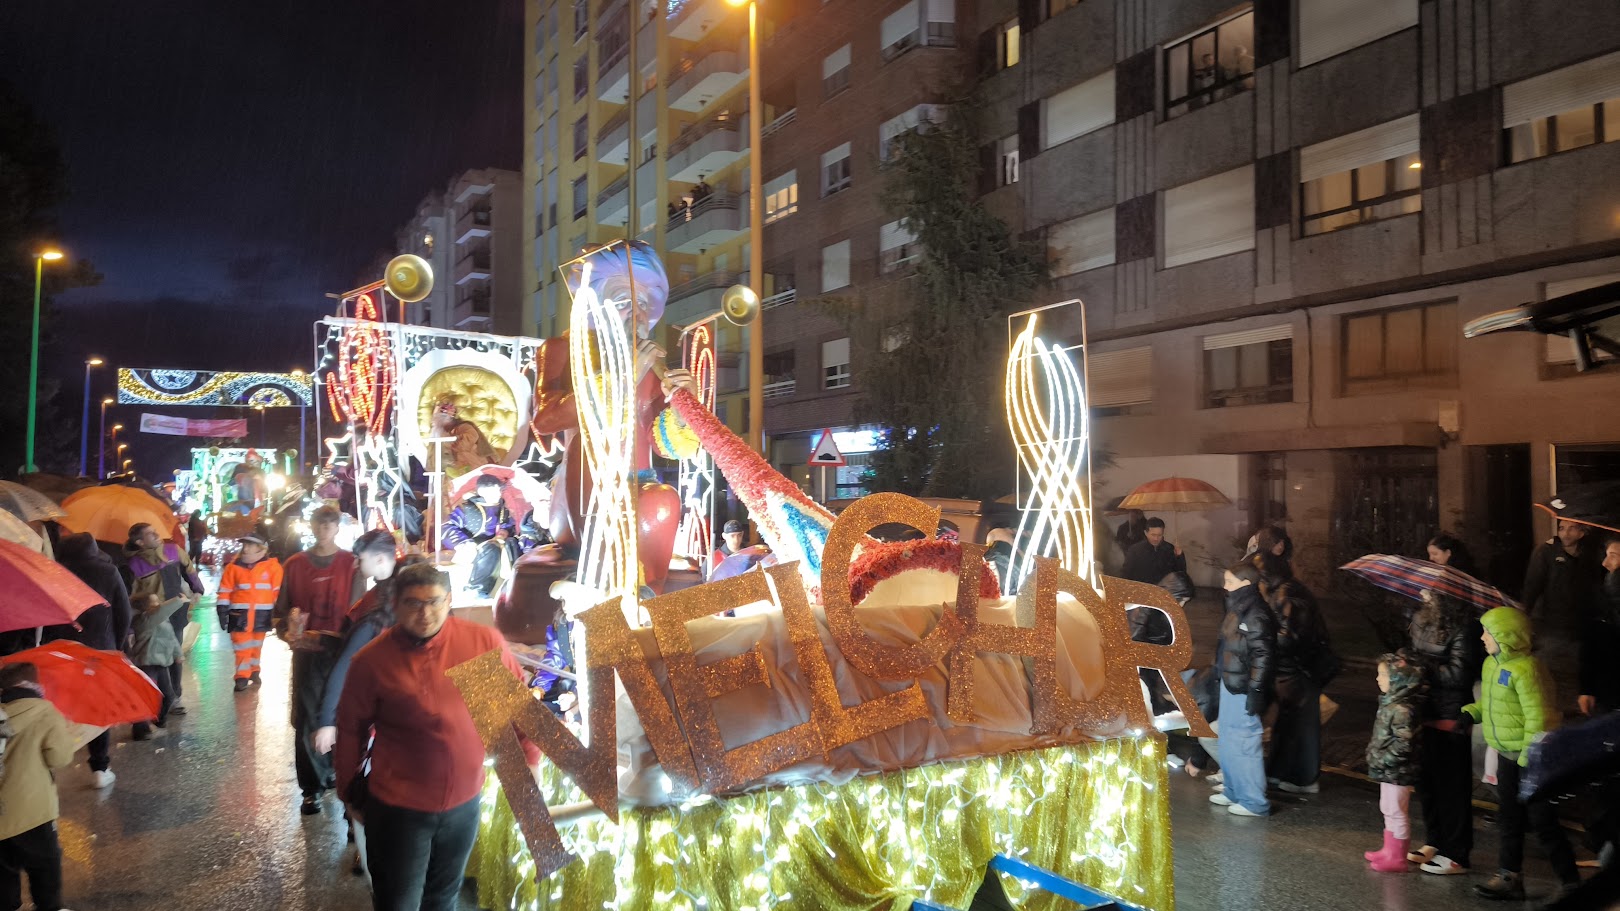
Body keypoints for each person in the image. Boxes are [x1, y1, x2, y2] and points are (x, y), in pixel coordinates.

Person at [334, 563, 536, 911]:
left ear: (450, 600)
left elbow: (515, 707)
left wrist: (530, 759)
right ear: (395, 605)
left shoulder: (480, 642)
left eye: (434, 602)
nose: (424, 613)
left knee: (443, 897)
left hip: (464, 804)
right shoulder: (372, 661)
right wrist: (347, 791)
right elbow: (350, 727)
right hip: (400, 809)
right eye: (413, 603)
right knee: (399, 901)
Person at [1466, 606, 1579, 901]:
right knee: (1509, 818)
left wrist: (1530, 756)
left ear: (1505, 636)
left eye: (1487, 632)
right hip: (1506, 754)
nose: (1482, 637)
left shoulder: (1528, 669)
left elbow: (1539, 717)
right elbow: (1494, 704)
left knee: (1542, 822)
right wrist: (1472, 713)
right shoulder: (1492, 665)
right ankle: (1509, 876)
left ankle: (1571, 883)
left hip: (1532, 759)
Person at [273, 505, 362, 816]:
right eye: (318, 523)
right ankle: (311, 787)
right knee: (309, 719)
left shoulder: (351, 564)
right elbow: (281, 611)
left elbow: (360, 612)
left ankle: (339, 774)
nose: (324, 529)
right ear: (311, 527)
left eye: (329, 524)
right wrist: (288, 630)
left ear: (337, 527)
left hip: (343, 654)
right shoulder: (295, 564)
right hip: (308, 656)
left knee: (345, 717)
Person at [1404, 589, 1486, 875]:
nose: (1423, 594)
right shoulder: (1421, 620)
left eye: (1430, 591)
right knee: (1427, 784)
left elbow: (1459, 675)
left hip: (1451, 715)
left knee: (1452, 787)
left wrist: (1422, 668)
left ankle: (1457, 853)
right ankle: (1435, 841)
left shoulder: (1465, 628)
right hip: (1423, 710)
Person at [44, 531, 133, 788]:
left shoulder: (53, 573)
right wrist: (116, 646)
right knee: (97, 706)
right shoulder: (108, 571)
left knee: (62, 704)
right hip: (99, 650)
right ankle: (99, 767)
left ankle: (53, 763)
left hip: (62, 649)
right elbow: (123, 614)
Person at [311, 532, 404, 758]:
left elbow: (346, 663)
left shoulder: (380, 610)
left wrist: (326, 721)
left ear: (380, 559)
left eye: (360, 559)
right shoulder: (378, 596)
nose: (355, 564)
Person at [0, 663, 73, 911]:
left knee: (3, 875)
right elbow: (59, 758)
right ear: (33, 685)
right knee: (45, 866)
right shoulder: (45, 712)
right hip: (34, 812)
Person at [1208, 558, 1276, 818]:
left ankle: (1253, 801)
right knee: (1228, 739)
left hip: (1243, 688)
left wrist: (1256, 692)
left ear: (1246, 584)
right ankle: (1234, 791)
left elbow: (1264, 656)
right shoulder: (1238, 608)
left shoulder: (1256, 613)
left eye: (1230, 582)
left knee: (1244, 742)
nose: (1225, 587)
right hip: (1231, 682)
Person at [1259, 551, 1328, 794]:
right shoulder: (1286, 590)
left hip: (1298, 670)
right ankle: (1282, 772)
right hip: (1293, 670)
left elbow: (1289, 636)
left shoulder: (1288, 594)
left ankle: (1303, 778)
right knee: (1288, 723)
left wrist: (1264, 639)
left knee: (1301, 725)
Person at [123, 523, 205, 716]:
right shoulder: (133, 565)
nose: (157, 534)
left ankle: (174, 697)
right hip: (152, 619)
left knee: (175, 656)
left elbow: (189, 569)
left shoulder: (173, 550)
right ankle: (156, 699)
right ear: (140, 541)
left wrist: (198, 589)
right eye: (151, 534)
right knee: (155, 660)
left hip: (176, 613)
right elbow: (131, 597)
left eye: (155, 531)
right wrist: (131, 630)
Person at [1364, 653, 1425, 872]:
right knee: (1388, 808)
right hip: (1389, 769)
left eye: (1382, 675)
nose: (1378, 679)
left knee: (1397, 811)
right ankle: (1389, 849)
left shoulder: (1402, 709)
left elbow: (1404, 745)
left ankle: (1397, 856)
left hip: (1398, 770)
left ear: (1398, 680)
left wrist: (1383, 759)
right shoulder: (1391, 703)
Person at [215, 534, 283, 692]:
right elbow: (225, 591)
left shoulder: (273, 568)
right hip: (239, 615)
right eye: (244, 544)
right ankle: (242, 676)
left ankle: (254, 670)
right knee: (241, 647)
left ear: (261, 548)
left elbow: (277, 593)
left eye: (250, 545)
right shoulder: (233, 567)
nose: (245, 548)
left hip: (262, 615)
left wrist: (277, 614)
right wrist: (222, 610)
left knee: (256, 646)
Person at [439, 475, 521, 599]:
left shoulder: (502, 510)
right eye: (495, 490)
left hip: (497, 544)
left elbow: (508, 525)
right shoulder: (468, 509)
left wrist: (504, 532)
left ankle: (515, 585)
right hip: (473, 549)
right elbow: (447, 527)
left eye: (499, 490)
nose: (499, 494)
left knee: (512, 543)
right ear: (483, 491)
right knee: (491, 549)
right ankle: (477, 589)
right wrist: (464, 543)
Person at [129, 593, 184, 740]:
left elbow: (171, 638)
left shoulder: (162, 620)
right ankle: (140, 729)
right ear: (145, 607)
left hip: (161, 663)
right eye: (154, 602)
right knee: (145, 697)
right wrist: (178, 600)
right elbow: (161, 612)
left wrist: (178, 654)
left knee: (168, 695)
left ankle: (158, 720)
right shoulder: (144, 620)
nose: (159, 604)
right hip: (146, 664)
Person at [1121, 518, 1186, 589]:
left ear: (1163, 533)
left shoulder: (1170, 549)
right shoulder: (1135, 550)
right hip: (1142, 591)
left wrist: (1179, 557)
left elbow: (1180, 573)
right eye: (1153, 535)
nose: (1156, 538)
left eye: (1159, 535)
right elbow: (1126, 573)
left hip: (1164, 591)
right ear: (1146, 533)